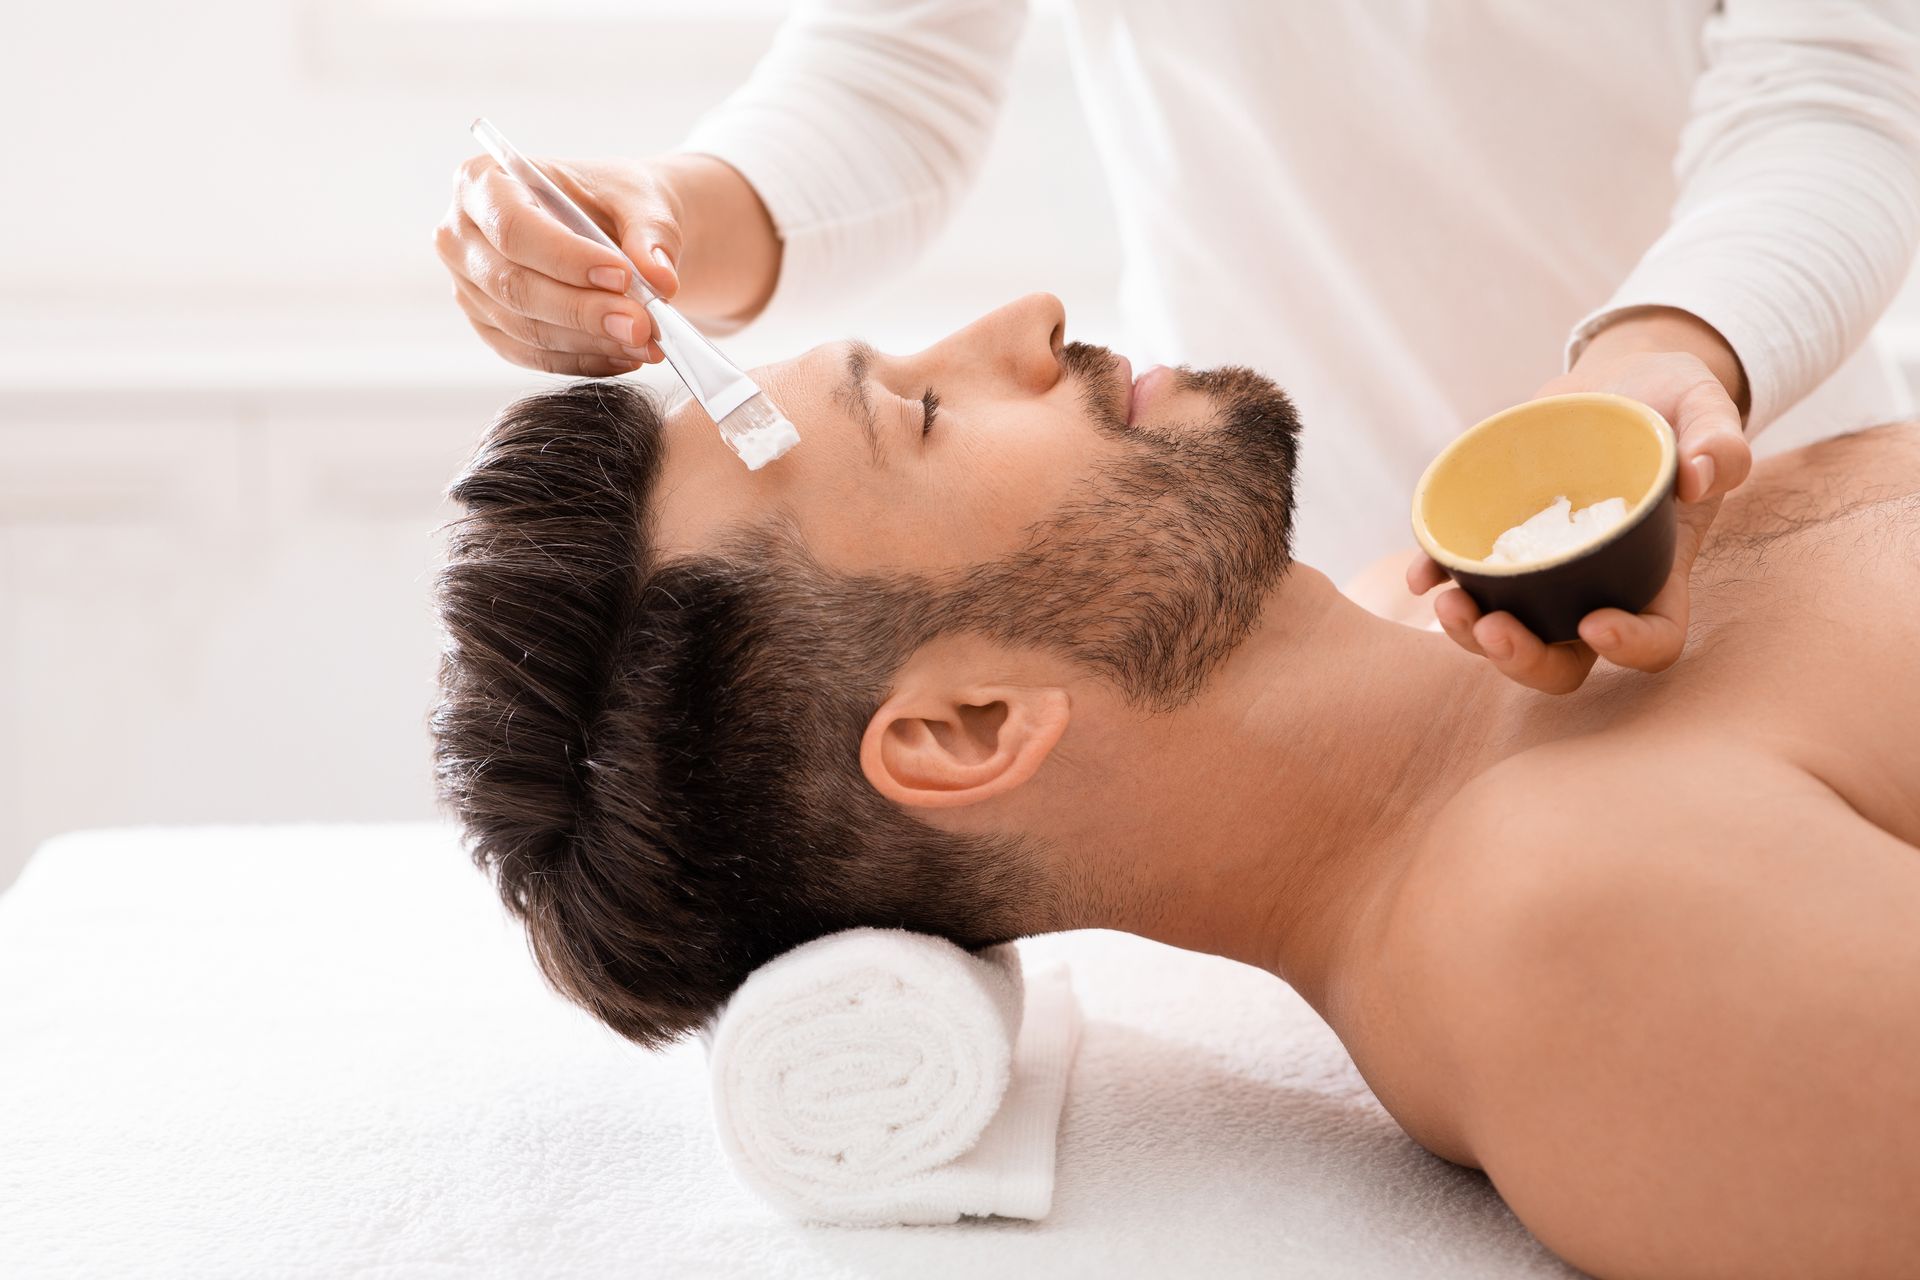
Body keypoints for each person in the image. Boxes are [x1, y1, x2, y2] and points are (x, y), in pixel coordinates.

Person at [432, 294, 1919, 1280]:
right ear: (968, 727)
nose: (1027, 318)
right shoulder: (1575, 934)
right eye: (929, 411)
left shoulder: (1485, 604)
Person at [433, 1, 1920, 695]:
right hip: (1308, 584)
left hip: (1742, 476)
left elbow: (1837, 89)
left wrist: (1672, 352)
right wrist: (674, 212)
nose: (1040, 326)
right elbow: (890, 72)